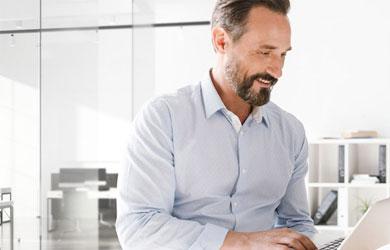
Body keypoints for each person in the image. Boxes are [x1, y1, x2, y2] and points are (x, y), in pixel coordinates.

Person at [115, 1, 317, 249]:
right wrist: (245, 243)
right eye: (265, 52)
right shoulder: (163, 118)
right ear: (221, 41)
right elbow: (139, 227)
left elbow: (297, 223)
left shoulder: (291, 132)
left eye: (283, 54)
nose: (277, 70)